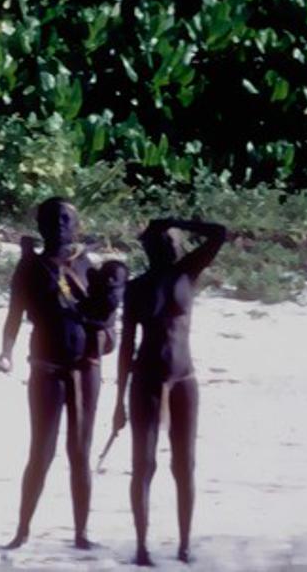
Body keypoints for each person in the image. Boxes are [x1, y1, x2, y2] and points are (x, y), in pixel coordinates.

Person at [112, 218, 227, 566]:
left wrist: (175, 221)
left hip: (183, 381)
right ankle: (142, 546)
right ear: (147, 249)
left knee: (184, 465)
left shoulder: (187, 274)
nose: (164, 247)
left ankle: (184, 544)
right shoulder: (136, 288)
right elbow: (126, 346)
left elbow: (219, 233)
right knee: (143, 465)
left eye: (169, 241)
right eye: (156, 243)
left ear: (178, 244)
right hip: (144, 380)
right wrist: (118, 402)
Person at [0, 197, 108, 550]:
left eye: (64, 218)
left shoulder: (89, 265)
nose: (58, 224)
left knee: (80, 452)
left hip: (85, 369)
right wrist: (6, 352)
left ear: (76, 225)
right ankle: (23, 530)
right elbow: (14, 314)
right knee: (41, 452)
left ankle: (81, 533)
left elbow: (109, 312)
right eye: (50, 219)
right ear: (40, 225)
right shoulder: (29, 268)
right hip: (45, 369)